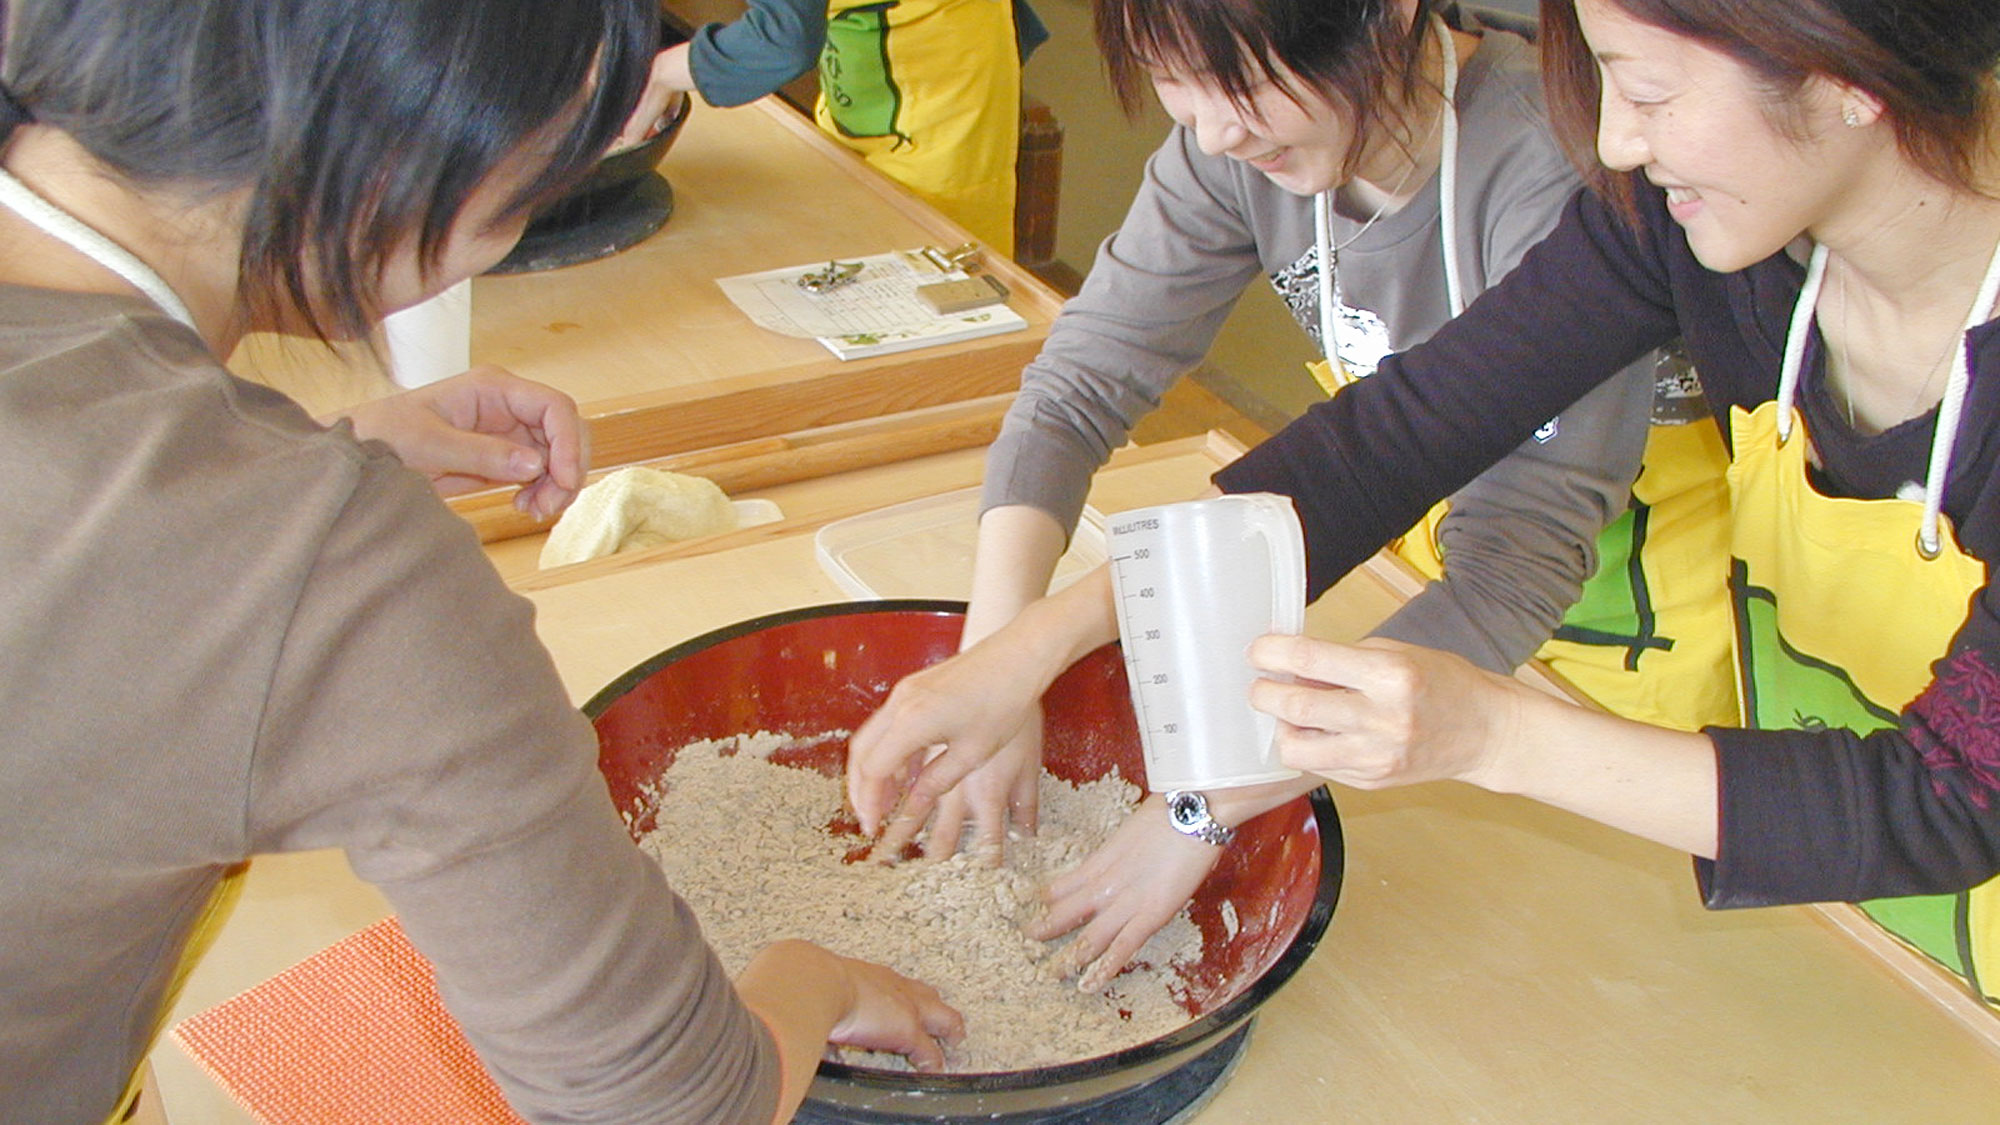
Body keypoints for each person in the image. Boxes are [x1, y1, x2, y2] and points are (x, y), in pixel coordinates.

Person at [846, 0, 2000, 1012]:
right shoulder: (1676, 232)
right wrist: (1023, 648)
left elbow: (1955, 798)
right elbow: (1388, 443)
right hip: (1828, 824)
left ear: (1843, 73)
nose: (1610, 139)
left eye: (1645, 90)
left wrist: (1482, 730)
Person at [0, 1, 962, 1122]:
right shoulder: (325, 558)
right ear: (394, 174)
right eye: (525, 196)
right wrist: (813, 977)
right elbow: (662, 1104)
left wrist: (319, 455)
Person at [908, 0, 1729, 906]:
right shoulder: (1237, 146)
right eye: (1170, 79)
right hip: (1415, 591)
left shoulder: (1550, 165)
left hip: (1632, 648)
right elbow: (1079, 386)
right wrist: (996, 666)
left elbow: (1516, 562)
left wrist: (1206, 804)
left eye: (1242, 82)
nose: (1213, 129)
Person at [614, 0, 1049, 255]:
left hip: (942, 84)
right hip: (860, 69)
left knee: (936, 274)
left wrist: (661, 74)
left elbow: (782, 40)